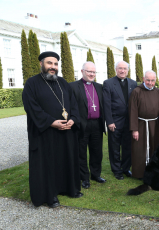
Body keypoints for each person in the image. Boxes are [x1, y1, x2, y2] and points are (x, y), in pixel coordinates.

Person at [22, 51, 83, 208]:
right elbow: (31, 107)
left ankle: (71, 189)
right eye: (49, 63)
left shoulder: (63, 83)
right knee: (48, 163)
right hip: (46, 133)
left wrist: (73, 120)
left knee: (66, 159)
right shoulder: (32, 83)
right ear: (41, 64)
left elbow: (74, 104)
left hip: (66, 131)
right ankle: (50, 196)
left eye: (55, 64)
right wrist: (51, 122)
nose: (53, 67)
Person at [70, 62, 106, 189]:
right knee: (81, 153)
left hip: (97, 124)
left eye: (93, 72)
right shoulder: (73, 86)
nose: (91, 74)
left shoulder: (99, 87)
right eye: (89, 71)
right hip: (81, 125)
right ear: (82, 71)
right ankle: (84, 178)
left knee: (97, 152)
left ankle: (96, 175)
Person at [103, 61, 137, 180]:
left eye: (125, 68)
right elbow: (106, 104)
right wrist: (109, 121)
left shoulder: (133, 83)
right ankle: (116, 170)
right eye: (120, 68)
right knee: (114, 147)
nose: (122, 71)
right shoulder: (108, 83)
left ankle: (126, 168)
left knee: (128, 147)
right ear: (116, 69)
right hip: (115, 121)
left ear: (128, 70)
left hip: (129, 121)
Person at [129, 70, 159, 179]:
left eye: (152, 80)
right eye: (148, 80)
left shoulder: (157, 91)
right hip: (141, 124)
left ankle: (154, 171)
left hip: (154, 124)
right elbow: (133, 111)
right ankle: (139, 173)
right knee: (139, 150)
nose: (150, 83)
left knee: (154, 147)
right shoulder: (136, 92)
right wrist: (134, 129)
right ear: (143, 79)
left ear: (155, 80)